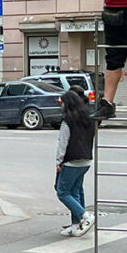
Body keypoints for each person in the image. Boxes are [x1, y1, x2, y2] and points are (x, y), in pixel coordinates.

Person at [54, 90, 96, 237]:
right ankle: (75, 225)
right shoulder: (89, 119)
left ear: (68, 104)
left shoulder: (67, 122)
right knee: (75, 191)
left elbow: (63, 143)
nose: (61, 105)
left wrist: (59, 161)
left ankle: (85, 216)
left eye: (62, 102)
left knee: (62, 192)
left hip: (71, 161)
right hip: (85, 161)